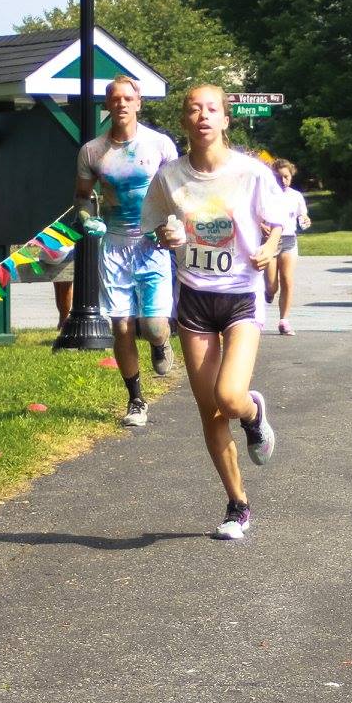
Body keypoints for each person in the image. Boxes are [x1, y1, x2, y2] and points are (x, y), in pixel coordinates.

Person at [140, 84, 283, 541]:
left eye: (212, 109)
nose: (203, 116)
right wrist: (166, 238)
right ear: (184, 120)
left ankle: (253, 413)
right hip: (195, 297)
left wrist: (269, 247)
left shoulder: (251, 172)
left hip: (240, 294)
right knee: (210, 411)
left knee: (229, 397)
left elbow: (278, 224)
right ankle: (238, 505)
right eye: (194, 109)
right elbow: (156, 227)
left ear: (225, 119)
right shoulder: (169, 176)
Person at [75, 74, 180, 428]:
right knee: (121, 326)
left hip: (152, 243)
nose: (121, 103)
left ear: (138, 103)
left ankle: (160, 343)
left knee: (153, 327)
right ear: (107, 104)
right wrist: (88, 218)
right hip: (115, 245)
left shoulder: (159, 145)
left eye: (127, 98)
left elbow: (177, 193)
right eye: (115, 98)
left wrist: (171, 225)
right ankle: (136, 399)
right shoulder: (92, 151)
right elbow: (82, 197)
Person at [263, 158, 311, 335]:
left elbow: (302, 215)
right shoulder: (265, 194)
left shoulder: (296, 196)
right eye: (278, 177)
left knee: (287, 279)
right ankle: (268, 293)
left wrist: (305, 220)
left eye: (286, 177)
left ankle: (284, 321)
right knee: (272, 286)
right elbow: (254, 215)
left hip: (289, 240)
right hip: (270, 241)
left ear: (291, 177)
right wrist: (261, 225)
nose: (282, 181)